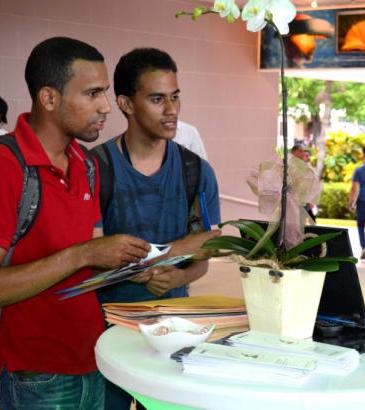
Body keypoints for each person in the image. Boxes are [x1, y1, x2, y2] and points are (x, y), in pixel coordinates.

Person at [0, 37, 217, 409]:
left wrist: (139, 263)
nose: (106, 107)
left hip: (96, 360)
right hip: (36, 375)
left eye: (106, 93)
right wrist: (84, 254)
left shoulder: (84, 164)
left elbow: (91, 262)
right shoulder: (0, 165)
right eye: (93, 94)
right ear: (49, 98)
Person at [93, 47, 221, 410]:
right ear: (126, 103)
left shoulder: (196, 171)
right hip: (106, 337)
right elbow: (85, 255)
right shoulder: (95, 169)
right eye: (157, 99)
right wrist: (166, 255)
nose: (172, 110)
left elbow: (206, 253)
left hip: (173, 339)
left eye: (176, 97)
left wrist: (178, 279)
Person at [291, 142, 317, 222]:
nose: (303, 154)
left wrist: (311, 200)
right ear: (293, 152)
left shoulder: (307, 167)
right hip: (293, 200)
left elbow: (313, 182)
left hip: (304, 200)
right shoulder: (292, 165)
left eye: (303, 151)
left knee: (301, 223)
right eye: (300, 151)